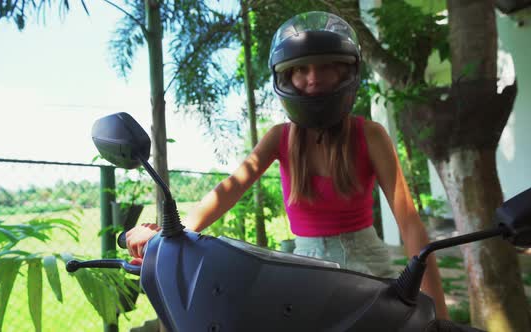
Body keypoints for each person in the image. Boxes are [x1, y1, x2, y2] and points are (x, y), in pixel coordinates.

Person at [126, 11, 449, 319]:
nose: (312, 78)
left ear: (346, 71)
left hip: (368, 265)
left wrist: (438, 312)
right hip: (305, 266)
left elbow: (408, 222)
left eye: (325, 66)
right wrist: (169, 234)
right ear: (286, 77)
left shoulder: (370, 135)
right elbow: (229, 190)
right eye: (300, 69)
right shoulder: (279, 138)